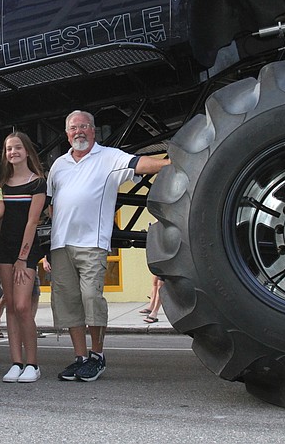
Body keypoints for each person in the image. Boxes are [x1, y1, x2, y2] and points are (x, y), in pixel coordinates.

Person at [48, 110, 169, 382]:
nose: (79, 131)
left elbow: (140, 163)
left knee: (91, 298)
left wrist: (174, 163)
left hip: (92, 244)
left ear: (94, 131)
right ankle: (80, 358)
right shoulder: (58, 166)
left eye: (84, 127)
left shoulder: (109, 157)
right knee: (70, 303)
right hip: (61, 245)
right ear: (67, 134)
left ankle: (97, 356)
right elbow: (51, 205)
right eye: (73, 128)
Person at [0, 131, 47, 383]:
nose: (12, 152)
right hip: (3, 251)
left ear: (27, 151)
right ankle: (16, 362)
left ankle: (33, 364)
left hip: (25, 251)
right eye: (8, 149)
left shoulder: (37, 183)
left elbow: (32, 221)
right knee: (11, 307)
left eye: (17, 148)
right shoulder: (1, 184)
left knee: (23, 305)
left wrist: (22, 258)